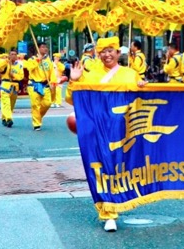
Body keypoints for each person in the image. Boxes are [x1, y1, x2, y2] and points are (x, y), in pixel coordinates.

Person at [66, 36, 147, 232]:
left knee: (122, 168)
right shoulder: (90, 74)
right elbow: (72, 100)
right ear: (98, 54)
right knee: (101, 168)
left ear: (118, 53)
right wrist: (73, 81)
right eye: (103, 51)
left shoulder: (130, 74)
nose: (106, 54)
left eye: (111, 50)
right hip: (97, 131)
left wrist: (144, 88)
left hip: (123, 132)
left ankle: (122, 201)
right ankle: (108, 213)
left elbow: (142, 101)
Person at [23, 42, 56, 131]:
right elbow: (29, 68)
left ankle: (37, 116)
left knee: (47, 103)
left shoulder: (48, 61)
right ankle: (36, 124)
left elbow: (52, 73)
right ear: (38, 48)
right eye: (43, 47)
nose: (45, 49)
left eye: (46, 47)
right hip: (34, 85)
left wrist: (53, 83)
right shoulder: (32, 59)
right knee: (35, 105)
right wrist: (38, 60)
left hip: (45, 85)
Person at [0, 48, 24, 128]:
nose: (13, 56)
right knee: (6, 104)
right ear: (9, 55)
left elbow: (21, 76)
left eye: (15, 54)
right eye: (12, 54)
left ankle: (4, 118)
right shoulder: (5, 63)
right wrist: (7, 61)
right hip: (5, 84)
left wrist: (13, 76)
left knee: (11, 105)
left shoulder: (19, 65)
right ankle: (9, 119)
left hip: (15, 86)